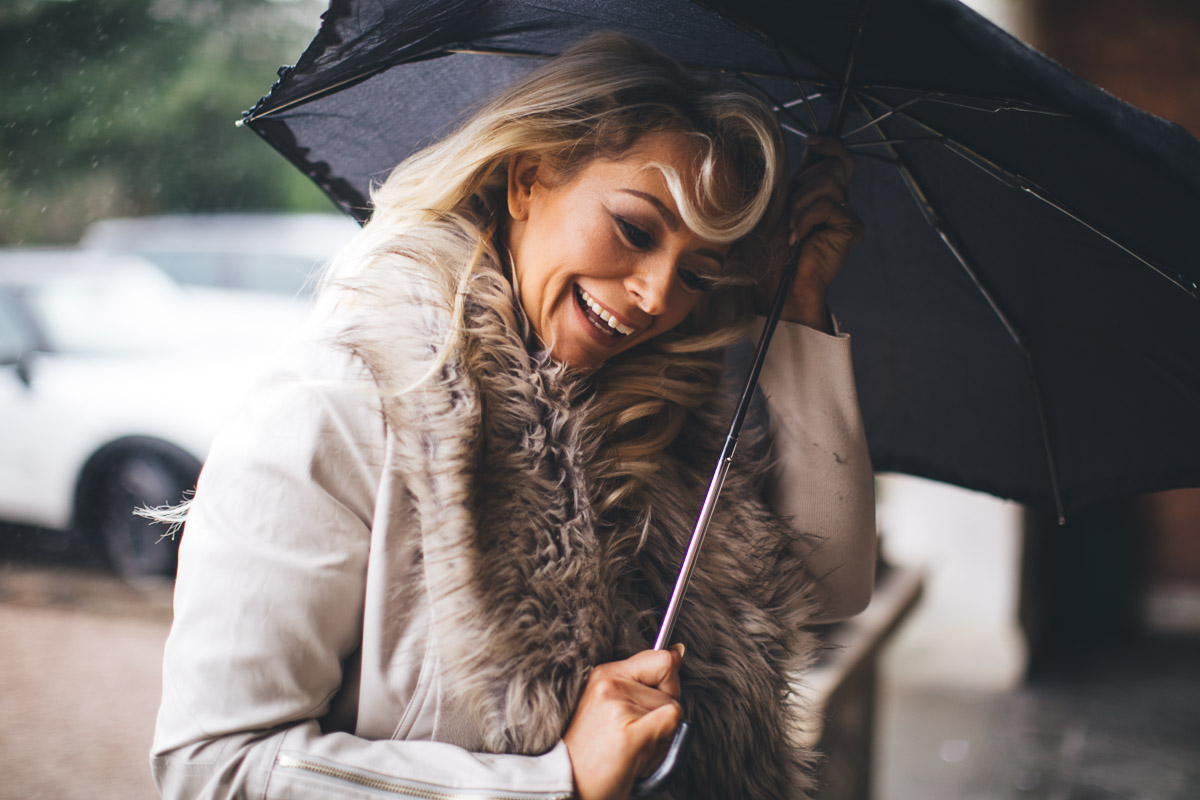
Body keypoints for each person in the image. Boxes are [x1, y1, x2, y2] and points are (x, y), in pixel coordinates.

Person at [151, 33, 875, 800]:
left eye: (696, 272)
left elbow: (829, 585)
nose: (658, 295)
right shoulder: (334, 413)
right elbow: (212, 766)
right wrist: (553, 782)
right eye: (635, 229)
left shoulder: (656, 423)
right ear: (528, 178)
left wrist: (799, 309)